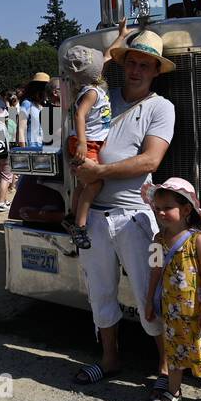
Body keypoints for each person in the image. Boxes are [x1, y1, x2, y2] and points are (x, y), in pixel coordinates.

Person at [72, 29, 176, 392]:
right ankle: (110, 359)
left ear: (155, 71)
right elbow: (79, 133)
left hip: (135, 218)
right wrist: (78, 160)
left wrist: (98, 171)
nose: (136, 70)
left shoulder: (160, 107)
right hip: (96, 216)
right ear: (124, 64)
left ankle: (165, 369)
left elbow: (150, 159)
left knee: (151, 291)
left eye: (145, 65)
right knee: (99, 292)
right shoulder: (102, 97)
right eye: (132, 62)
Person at [142, 179, 201, 401]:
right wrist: (149, 301)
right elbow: (155, 271)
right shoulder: (158, 240)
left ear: (186, 209)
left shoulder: (197, 240)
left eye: (167, 207)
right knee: (175, 352)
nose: (160, 213)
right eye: (157, 208)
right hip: (173, 311)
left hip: (198, 312)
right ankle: (173, 392)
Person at [62, 20, 125, 249]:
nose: (104, 63)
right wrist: (81, 143)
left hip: (89, 142)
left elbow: (108, 55)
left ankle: (72, 214)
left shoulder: (96, 84)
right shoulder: (91, 92)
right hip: (85, 143)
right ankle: (79, 226)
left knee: (83, 183)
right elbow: (79, 116)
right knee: (95, 183)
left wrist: (121, 35)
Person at [17, 74, 50, 149]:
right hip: (32, 148)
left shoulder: (44, 105)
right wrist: (23, 150)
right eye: (47, 88)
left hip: (44, 147)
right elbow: (21, 129)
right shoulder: (26, 104)